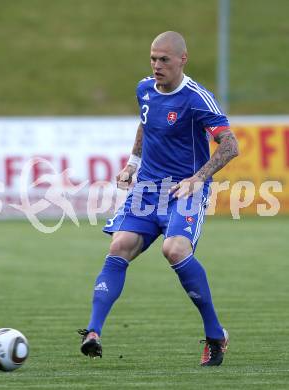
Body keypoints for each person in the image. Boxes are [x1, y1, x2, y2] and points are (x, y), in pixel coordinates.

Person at [78, 31, 239, 366]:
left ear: (183, 59)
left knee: (175, 249)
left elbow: (230, 145)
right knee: (119, 245)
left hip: (184, 190)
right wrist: (132, 164)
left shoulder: (197, 99)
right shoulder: (145, 88)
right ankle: (93, 332)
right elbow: (145, 124)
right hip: (148, 189)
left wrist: (198, 179)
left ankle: (215, 334)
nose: (156, 65)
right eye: (153, 58)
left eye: (164, 59)